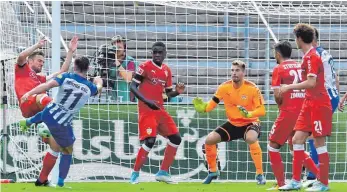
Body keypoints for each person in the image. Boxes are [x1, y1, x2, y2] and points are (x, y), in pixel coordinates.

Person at [19, 56, 103, 187]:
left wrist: (28, 93)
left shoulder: (65, 77)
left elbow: (46, 85)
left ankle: (29, 122)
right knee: (67, 149)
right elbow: (98, 90)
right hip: (61, 123)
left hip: (48, 112)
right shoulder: (89, 87)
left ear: (74, 66)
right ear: (87, 69)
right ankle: (61, 182)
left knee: (54, 139)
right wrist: (99, 81)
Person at [14, 36, 78, 186]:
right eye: (39, 61)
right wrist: (37, 45)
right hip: (28, 103)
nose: (42, 64)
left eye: (43, 62)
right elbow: (21, 56)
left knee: (55, 146)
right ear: (30, 61)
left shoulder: (40, 78)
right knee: (43, 96)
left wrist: (70, 51)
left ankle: (42, 179)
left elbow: (62, 71)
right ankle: (44, 119)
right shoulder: (22, 69)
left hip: (37, 111)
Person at [192, 60, 266, 185]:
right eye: (232, 70)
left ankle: (260, 174)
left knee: (251, 138)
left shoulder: (252, 88)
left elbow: (262, 110)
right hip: (233, 123)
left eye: (237, 70)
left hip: (250, 122)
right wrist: (203, 108)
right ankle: (213, 171)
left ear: (243, 72)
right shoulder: (224, 87)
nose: (234, 73)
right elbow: (211, 105)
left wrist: (249, 114)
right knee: (209, 140)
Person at [279, 23, 332, 191]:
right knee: (296, 140)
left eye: (296, 37)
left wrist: (288, 87)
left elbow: (311, 82)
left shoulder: (312, 57)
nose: (295, 40)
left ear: (300, 39)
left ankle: (323, 183)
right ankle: (295, 181)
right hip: (308, 103)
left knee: (319, 143)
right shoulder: (307, 57)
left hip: (319, 103)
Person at [129, 42, 185, 184]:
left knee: (176, 138)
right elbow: (133, 86)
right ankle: (135, 173)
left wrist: (177, 92)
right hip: (147, 110)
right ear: (152, 53)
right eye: (155, 52)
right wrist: (146, 101)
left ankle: (163, 172)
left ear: (165, 53)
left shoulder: (166, 70)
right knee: (150, 140)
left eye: (160, 52)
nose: (157, 55)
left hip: (160, 110)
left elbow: (168, 93)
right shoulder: (145, 66)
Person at [267, 41, 314, 190]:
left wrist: (281, 104)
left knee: (273, 146)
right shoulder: (301, 65)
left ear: (278, 54)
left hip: (288, 112)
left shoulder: (278, 68)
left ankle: (281, 183)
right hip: (304, 111)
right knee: (296, 148)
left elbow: (277, 96)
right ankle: (320, 177)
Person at [303, 27, 340, 188]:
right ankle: (314, 174)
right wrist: (337, 97)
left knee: (313, 135)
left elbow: (313, 81)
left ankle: (316, 175)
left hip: (323, 97)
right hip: (330, 95)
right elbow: (335, 76)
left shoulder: (314, 55)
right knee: (313, 134)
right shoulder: (325, 53)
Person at [108, 35, 138, 102]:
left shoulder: (130, 61)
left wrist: (117, 63)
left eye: (119, 47)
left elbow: (128, 78)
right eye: (115, 47)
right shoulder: (108, 60)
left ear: (124, 48)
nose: (117, 49)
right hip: (111, 98)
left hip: (127, 98)